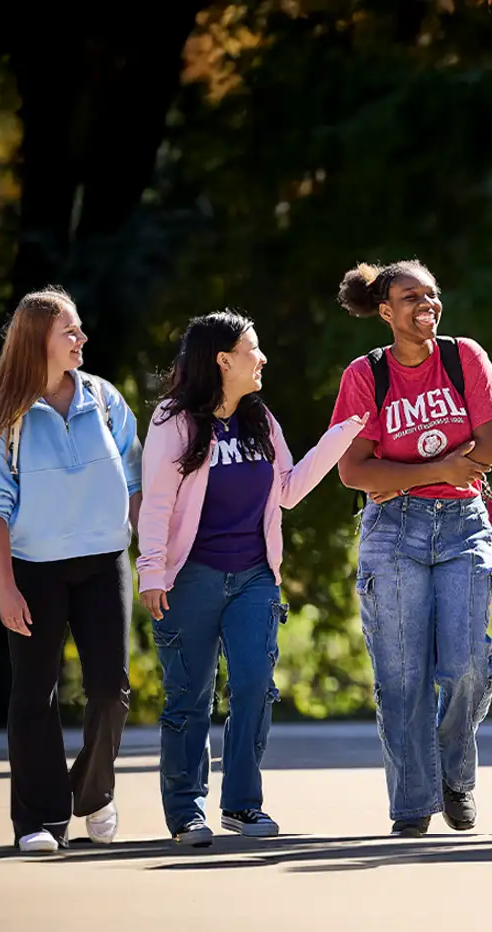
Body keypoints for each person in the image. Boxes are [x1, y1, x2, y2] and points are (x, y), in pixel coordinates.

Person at [137, 310, 364, 846]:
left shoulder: (260, 419)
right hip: (189, 578)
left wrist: (344, 432)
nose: (262, 358)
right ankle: (185, 812)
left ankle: (241, 804)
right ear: (223, 360)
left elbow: (287, 489)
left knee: (254, 687)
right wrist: (151, 569)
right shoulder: (173, 420)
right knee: (188, 697)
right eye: (252, 349)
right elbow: (157, 503)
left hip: (254, 577)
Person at [332, 259, 492, 836]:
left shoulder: (465, 358)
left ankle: (453, 774)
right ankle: (413, 802)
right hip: (392, 531)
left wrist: (405, 469)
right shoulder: (366, 376)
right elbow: (354, 471)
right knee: (401, 676)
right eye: (411, 297)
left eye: (432, 294)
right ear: (385, 311)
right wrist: (438, 466)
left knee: (464, 665)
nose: (427, 304)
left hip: (463, 524)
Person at [0, 287, 142, 854]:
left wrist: (155, 560)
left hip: (104, 560)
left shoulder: (105, 399)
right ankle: (37, 821)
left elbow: (136, 483)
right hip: (35, 568)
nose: (81, 339)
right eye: (70, 331)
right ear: (37, 340)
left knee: (110, 691)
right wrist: (6, 588)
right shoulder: (0, 418)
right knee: (34, 695)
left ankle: (90, 794)